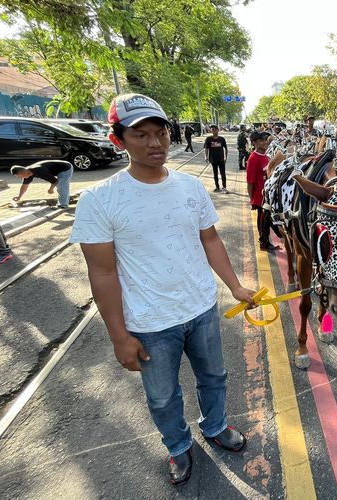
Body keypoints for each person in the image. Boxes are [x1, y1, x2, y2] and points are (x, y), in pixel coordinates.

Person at [69, 93, 255, 486]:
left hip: (201, 308)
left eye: (161, 133)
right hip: (150, 323)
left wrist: (235, 286)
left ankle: (215, 426)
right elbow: (101, 274)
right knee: (162, 397)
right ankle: (177, 446)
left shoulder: (190, 187)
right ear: (119, 139)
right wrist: (120, 336)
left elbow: (210, 240)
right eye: (141, 135)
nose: (155, 143)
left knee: (215, 377)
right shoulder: (99, 200)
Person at [246, 131, 276, 251]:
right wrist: (252, 199)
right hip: (260, 196)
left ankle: (266, 240)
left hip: (268, 194)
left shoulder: (266, 156)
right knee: (262, 220)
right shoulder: (253, 158)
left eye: (265, 140)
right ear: (254, 143)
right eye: (261, 141)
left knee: (267, 220)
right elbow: (250, 181)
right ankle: (263, 242)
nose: (265, 142)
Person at [204, 125, 228, 193]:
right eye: (212, 129)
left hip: (221, 159)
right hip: (213, 159)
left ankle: (224, 187)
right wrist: (206, 156)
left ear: (218, 130)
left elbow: (226, 148)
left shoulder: (222, 139)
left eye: (214, 129)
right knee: (215, 174)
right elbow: (206, 148)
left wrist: (226, 157)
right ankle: (217, 187)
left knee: (223, 173)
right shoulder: (208, 139)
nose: (213, 131)